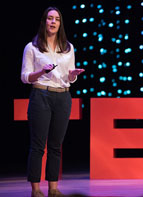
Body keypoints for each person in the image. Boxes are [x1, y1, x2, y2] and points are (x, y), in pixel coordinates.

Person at [21, 7, 84, 197]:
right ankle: (35, 189)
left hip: (63, 96)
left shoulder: (68, 47)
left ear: (60, 23)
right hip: (41, 95)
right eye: (50, 18)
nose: (53, 22)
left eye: (57, 19)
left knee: (56, 146)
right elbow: (25, 77)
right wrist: (41, 72)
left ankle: (53, 189)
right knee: (38, 145)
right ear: (44, 21)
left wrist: (72, 75)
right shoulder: (32, 47)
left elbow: (69, 77)